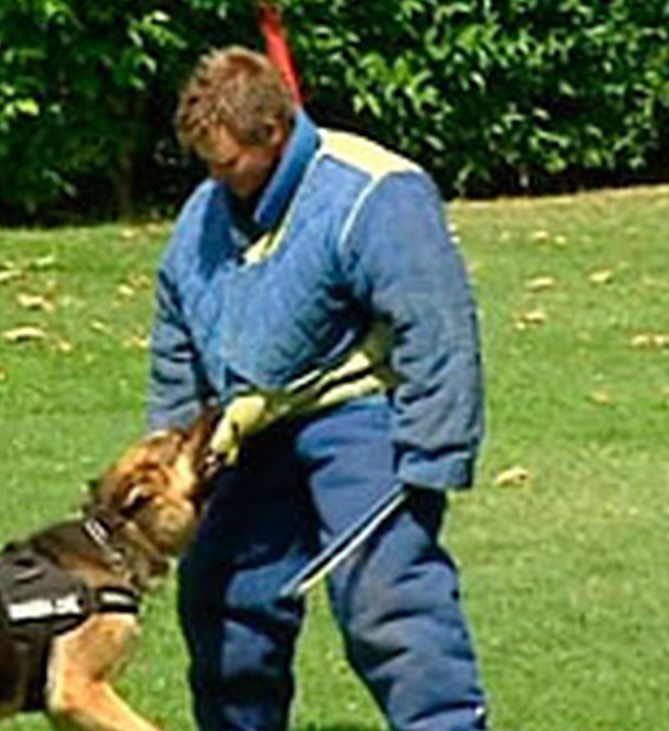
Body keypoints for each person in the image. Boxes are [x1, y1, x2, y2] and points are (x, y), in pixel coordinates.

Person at [146, 46, 490, 730]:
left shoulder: (376, 190)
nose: (213, 177)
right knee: (219, 597)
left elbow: (438, 327)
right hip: (245, 433)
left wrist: (430, 459)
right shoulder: (205, 211)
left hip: (362, 417)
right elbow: (175, 329)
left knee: (388, 602)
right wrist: (174, 450)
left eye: (225, 160)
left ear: (272, 134)